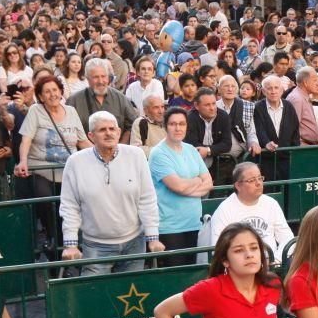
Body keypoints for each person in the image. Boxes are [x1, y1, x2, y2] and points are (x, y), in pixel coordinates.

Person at [60, 111, 163, 276]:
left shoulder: (136, 155)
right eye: (102, 130)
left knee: (130, 294)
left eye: (112, 129)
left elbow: (147, 199)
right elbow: (69, 205)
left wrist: (153, 236)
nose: (108, 133)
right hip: (95, 245)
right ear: (91, 136)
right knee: (93, 294)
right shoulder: (75, 162)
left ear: (119, 132)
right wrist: (70, 244)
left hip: (134, 242)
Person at [148, 106, 213, 267]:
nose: (178, 128)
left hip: (194, 223)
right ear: (165, 126)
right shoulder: (158, 153)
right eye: (173, 124)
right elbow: (177, 186)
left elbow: (209, 183)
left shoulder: (191, 150)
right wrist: (197, 181)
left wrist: (186, 186)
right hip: (169, 227)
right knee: (175, 278)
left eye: (182, 124)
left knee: (192, 277)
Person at [13, 75, 89, 201]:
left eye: (55, 90)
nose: (52, 94)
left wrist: (102, 154)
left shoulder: (71, 111)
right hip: (41, 170)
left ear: (61, 92)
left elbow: (82, 141)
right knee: (46, 199)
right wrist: (23, 160)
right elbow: (26, 140)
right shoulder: (35, 110)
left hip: (68, 169)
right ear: (41, 97)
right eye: (47, 92)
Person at [209, 162, 293, 262]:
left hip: (273, 264)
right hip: (242, 267)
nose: (258, 183)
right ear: (238, 186)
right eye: (252, 180)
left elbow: (287, 238)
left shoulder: (271, 204)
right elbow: (218, 248)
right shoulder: (224, 210)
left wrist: (276, 260)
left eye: (260, 178)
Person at [66, 58, 138, 143]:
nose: (100, 81)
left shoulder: (120, 98)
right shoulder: (74, 101)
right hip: (85, 152)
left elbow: (132, 125)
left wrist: (120, 147)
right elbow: (70, 131)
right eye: (95, 77)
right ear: (87, 79)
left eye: (103, 76)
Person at [253, 75, 299, 181]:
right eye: (269, 88)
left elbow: (295, 130)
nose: (273, 91)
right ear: (264, 92)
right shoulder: (257, 107)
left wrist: (295, 152)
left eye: (276, 88)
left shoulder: (289, 106)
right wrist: (266, 142)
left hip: (286, 159)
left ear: (282, 90)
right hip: (265, 159)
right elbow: (258, 129)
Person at [285, 66, 318, 145]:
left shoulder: (304, 96)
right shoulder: (297, 98)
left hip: (309, 145)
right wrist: (300, 144)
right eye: (315, 80)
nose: (317, 83)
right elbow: (291, 129)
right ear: (305, 82)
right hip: (302, 147)